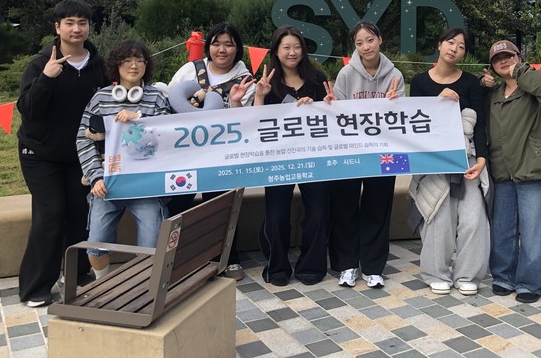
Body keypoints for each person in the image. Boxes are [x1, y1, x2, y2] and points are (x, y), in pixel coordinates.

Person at [16, 0, 108, 307]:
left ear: (89, 27)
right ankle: (35, 287)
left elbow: (105, 106)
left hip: (79, 153)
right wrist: (46, 78)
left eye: (82, 23)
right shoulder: (41, 63)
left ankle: (76, 273)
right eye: (69, 23)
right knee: (51, 212)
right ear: (57, 28)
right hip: (39, 152)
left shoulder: (98, 65)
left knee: (80, 211)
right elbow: (27, 110)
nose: (76, 29)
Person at [166, 22, 255, 280]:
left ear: (237, 48)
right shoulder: (190, 70)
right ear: (209, 46)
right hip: (184, 152)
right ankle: (175, 260)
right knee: (177, 204)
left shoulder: (245, 79)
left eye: (229, 44)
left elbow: (246, 120)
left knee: (222, 203)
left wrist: (234, 102)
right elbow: (169, 102)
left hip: (221, 153)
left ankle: (228, 258)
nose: (222, 50)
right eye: (216, 43)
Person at [77, 40, 171, 278]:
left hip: (146, 186)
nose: (133, 65)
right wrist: (95, 177)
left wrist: (139, 118)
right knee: (96, 245)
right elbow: (83, 139)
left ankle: (145, 288)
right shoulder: (100, 98)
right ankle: (103, 285)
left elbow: (168, 136)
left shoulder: (157, 97)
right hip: (107, 186)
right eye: (127, 60)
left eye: (139, 60)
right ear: (116, 65)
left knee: (151, 246)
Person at [484, 40, 541, 303]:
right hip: (503, 170)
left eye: (509, 56)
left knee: (535, 229)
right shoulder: (494, 93)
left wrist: (520, 72)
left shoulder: (536, 84)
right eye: (498, 59)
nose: (504, 61)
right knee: (503, 228)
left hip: (535, 168)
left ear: (519, 58)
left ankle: (531, 282)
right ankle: (503, 275)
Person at [408, 28, 489, 295]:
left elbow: (480, 124)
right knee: (438, 216)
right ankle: (436, 273)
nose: (454, 49)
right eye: (450, 42)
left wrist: (481, 159)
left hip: (467, 158)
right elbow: (413, 122)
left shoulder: (471, 83)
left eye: (461, 46)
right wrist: (437, 102)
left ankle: (468, 274)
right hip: (434, 159)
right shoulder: (420, 81)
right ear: (440, 44)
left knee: (473, 218)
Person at [327, 21, 404, 288]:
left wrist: (395, 103)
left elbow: (402, 117)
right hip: (350, 152)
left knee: (378, 208)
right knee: (345, 206)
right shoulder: (346, 74)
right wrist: (331, 105)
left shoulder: (395, 74)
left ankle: (373, 267)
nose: (365, 47)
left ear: (380, 39)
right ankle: (348, 265)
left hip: (383, 153)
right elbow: (336, 113)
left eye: (370, 40)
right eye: (359, 43)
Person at [254, 26, 330, 286]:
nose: (292, 52)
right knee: (276, 215)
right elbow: (256, 123)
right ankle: (277, 266)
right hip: (279, 159)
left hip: (314, 157)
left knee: (317, 212)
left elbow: (331, 116)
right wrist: (260, 96)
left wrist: (322, 105)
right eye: (286, 47)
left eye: (297, 47)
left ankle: (312, 265)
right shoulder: (268, 82)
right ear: (276, 51)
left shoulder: (317, 79)